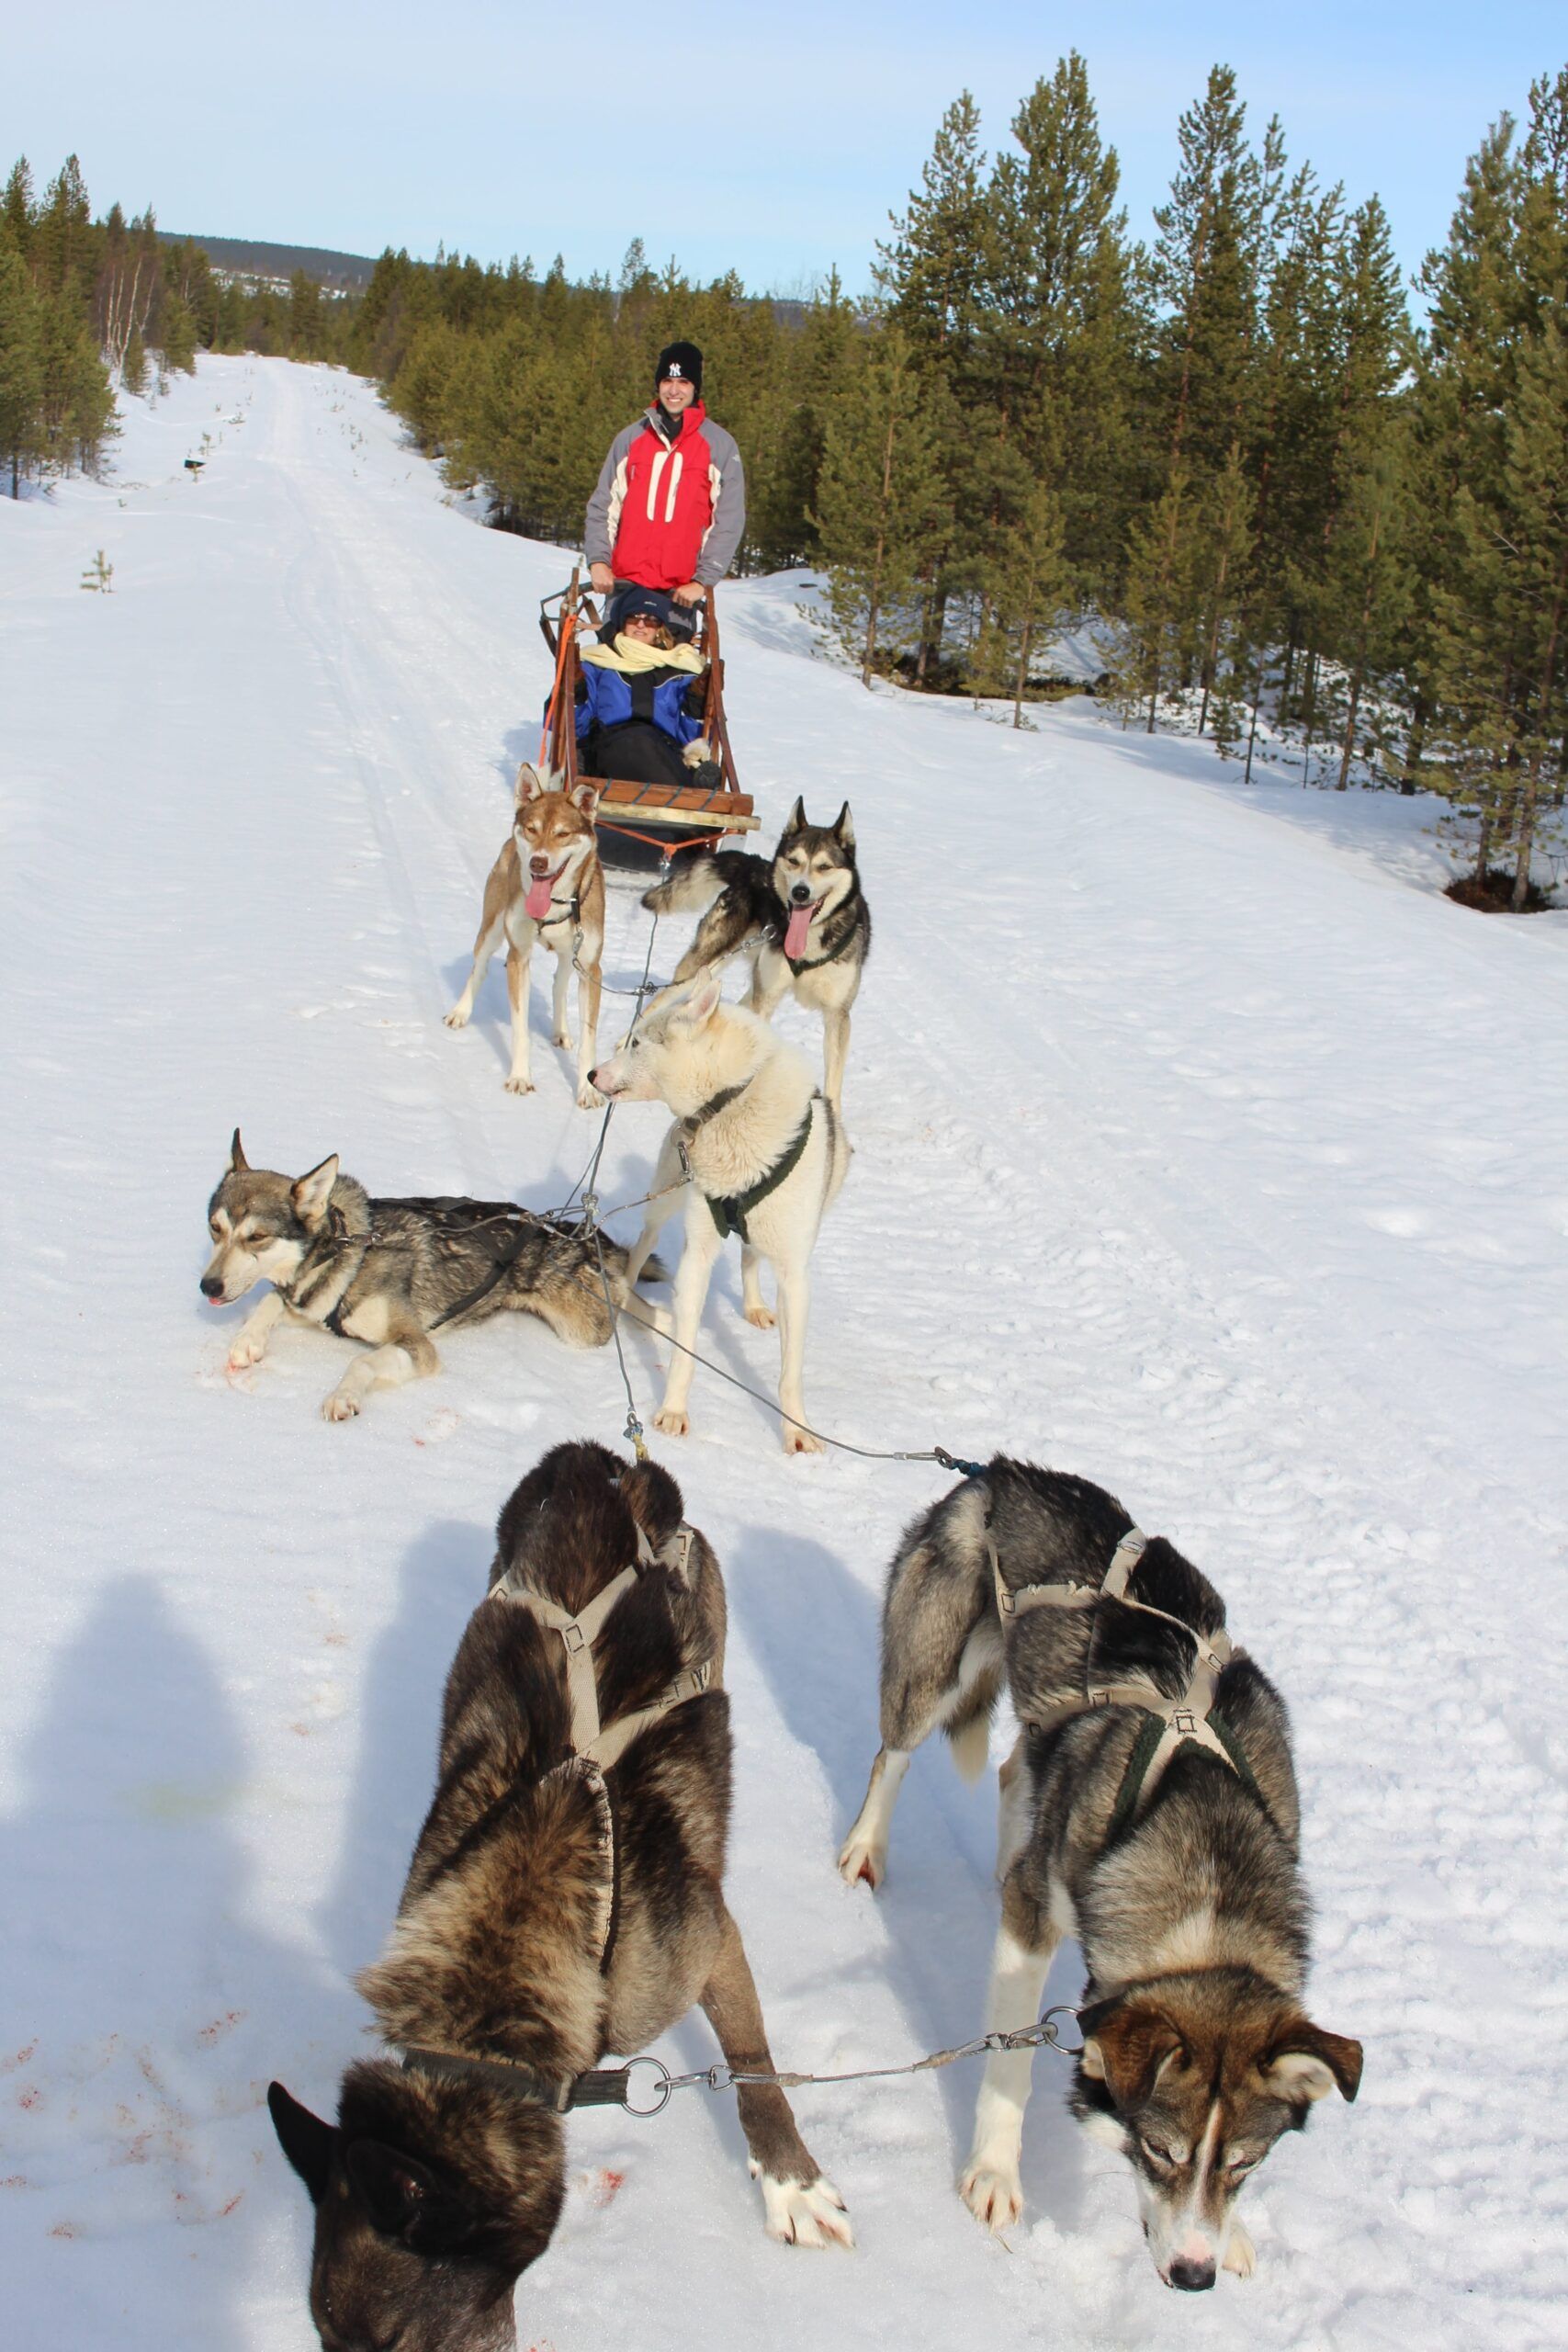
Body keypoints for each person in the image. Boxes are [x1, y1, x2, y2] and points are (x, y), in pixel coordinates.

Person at [584, 342, 746, 625]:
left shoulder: (719, 446)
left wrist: (703, 581)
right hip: (624, 588)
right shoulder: (631, 439)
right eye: (667, 381)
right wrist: (598, 561)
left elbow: (728, 520)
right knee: (612, 654)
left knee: (674, 656)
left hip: (679, 596)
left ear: (695, 387)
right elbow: (603, 506)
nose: (674, 390)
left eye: (683, 382)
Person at [573, 586, 717, 788]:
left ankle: (683, 792)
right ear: (623, 623)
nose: (641, 624)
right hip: (609, 748)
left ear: (659, 628)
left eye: (650, 620)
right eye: (633, 618)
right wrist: (577, 690)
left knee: (652, 745)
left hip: (665, 750)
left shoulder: (681, 670)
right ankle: (686, 796)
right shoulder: (597, 663)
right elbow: (574, 725)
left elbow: (694, 735)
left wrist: (696, 699)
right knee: (637, 741)